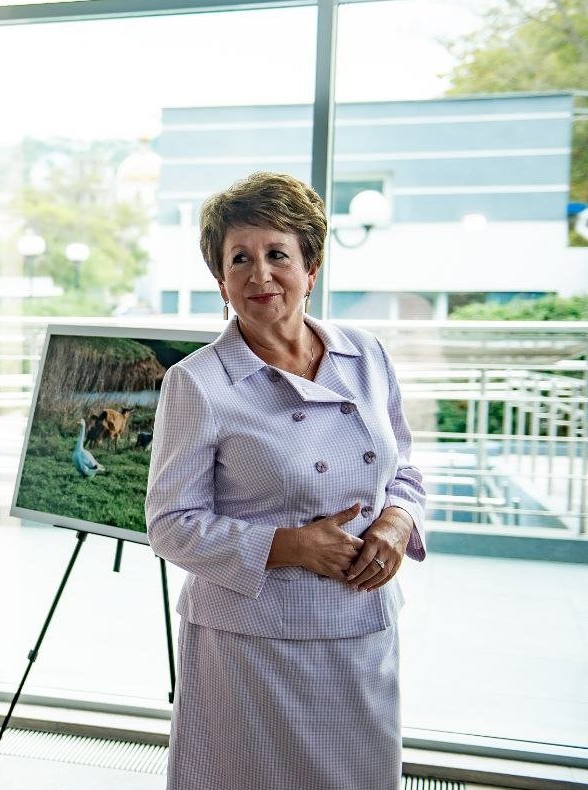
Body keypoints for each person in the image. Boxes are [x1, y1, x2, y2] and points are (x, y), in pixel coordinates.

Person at [144, 171, 427, 790]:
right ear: (220, 280)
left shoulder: (367, 354)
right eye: (239, 259)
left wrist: (397, 520)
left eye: (278, 255)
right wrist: (292, 545)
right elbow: (169, 525)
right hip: (254, 643)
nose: (259, 275)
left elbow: (402, 464)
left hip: (363, 624)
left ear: (312, 267)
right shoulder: (198, 382)